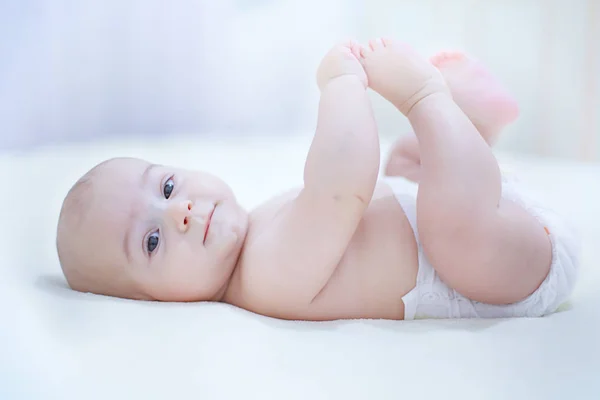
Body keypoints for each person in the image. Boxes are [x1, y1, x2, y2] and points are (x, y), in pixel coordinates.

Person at [56, 39, 579, 320]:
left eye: (167, 187)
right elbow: (342, 183)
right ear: (151, 306)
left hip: (482, 219)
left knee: (405, 174)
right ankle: (432, 100)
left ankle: (472, 129)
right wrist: (341, 85)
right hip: (508, 274)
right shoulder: (265, 279)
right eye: (152, 241)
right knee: (450, 230)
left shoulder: (254, 230)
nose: (180, 211)